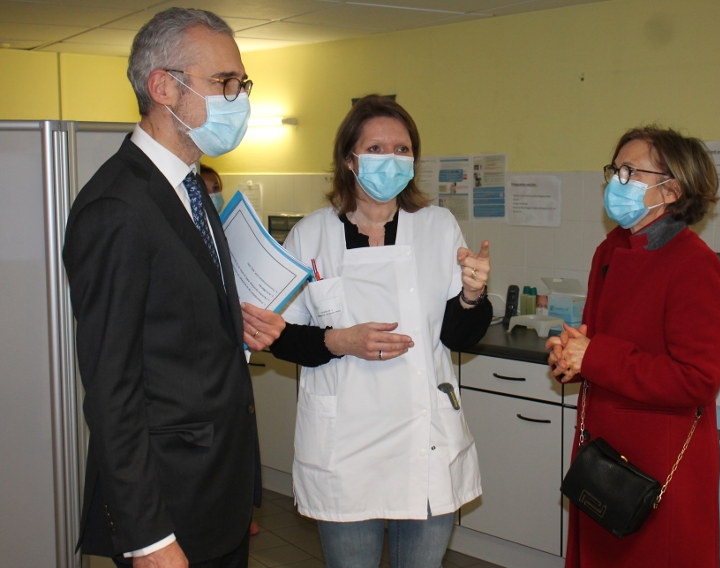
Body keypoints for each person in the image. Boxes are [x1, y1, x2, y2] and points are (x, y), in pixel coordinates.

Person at [63, 8, 284, 567]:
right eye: (223, 83)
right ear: (163, 87)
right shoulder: (119, 206)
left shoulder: (188, 188)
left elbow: (170, 319)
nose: (239, 100)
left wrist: (226, 324)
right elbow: (111, 390)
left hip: (217, 494)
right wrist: (149, 538)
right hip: (168, 509)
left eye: (242, 84)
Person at [245, 94, 492, 567]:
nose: (392, 159)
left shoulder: (438, 227)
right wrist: (339, 340)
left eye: (402, 149)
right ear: (349, 159)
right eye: (377, 148)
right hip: (346, 449)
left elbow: (459, 336)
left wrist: (472, 296)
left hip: (423, 442)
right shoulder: (312, 235)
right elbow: (283, 335)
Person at [546, 126, 720, 568]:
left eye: (631, 172)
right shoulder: (610, 250)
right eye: (616, 169)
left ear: (671, 190)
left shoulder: (696, 266)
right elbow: (597, 342)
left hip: (658, 468)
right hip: (602, 458)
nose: (617, 181)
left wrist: (595, 357)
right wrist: (570, 359)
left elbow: (697, 380)